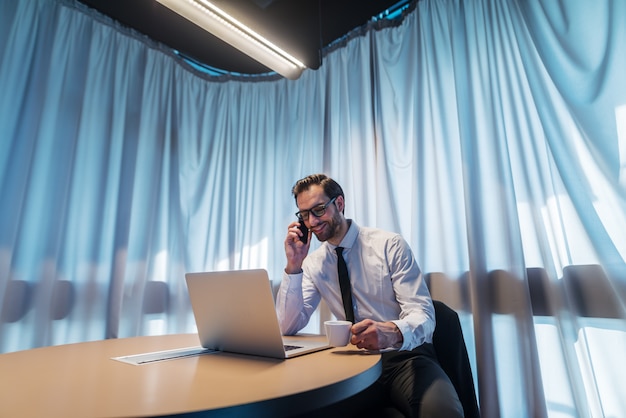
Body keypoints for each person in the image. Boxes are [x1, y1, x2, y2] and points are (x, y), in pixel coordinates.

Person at [276, 173, 464, 418]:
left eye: (319, 210)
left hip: (405, 358)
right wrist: (294, 265)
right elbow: (287, 325)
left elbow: (424, 316)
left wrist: (393, 332)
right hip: (351, 365)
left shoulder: (389, 245)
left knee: (443, 413)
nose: (311, 221)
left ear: (339, 204)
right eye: (304, 214)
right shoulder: (312, 264)